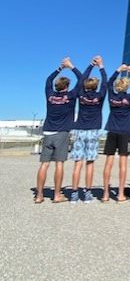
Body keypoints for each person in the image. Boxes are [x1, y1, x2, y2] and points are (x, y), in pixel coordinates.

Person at [35, 57, 82, 204]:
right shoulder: (71, 96)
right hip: (62, 133)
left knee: (44, 164)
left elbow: (48, 80)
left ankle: (39, 195)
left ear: (56, 86)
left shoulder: (50, 95)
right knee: (59, 164)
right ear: (67, 86)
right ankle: (56, 195)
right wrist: (71, 66)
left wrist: (60, 68)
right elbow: (82, 79)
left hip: (48, 132)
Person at [70, 55, 107, 203]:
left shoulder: (80, 95)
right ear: (96, 86)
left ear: (85, 86)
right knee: (90, 163)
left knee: (77, 163)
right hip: (93, 130)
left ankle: (74, 193)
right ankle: (87, 193)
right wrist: (101, 66)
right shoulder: (100, 96)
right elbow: (105, 83)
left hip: (80, 129)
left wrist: (91, 65)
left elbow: (81, 80)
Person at [102, 64, 130, 203]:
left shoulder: (112, 97)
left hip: (112, 130)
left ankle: (105, 194)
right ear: (127, 87)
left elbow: (109, 83)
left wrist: (118, 70)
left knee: (108, 163)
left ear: (117, 87)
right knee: (123, 164)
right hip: (124, 132)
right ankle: (121, 194)